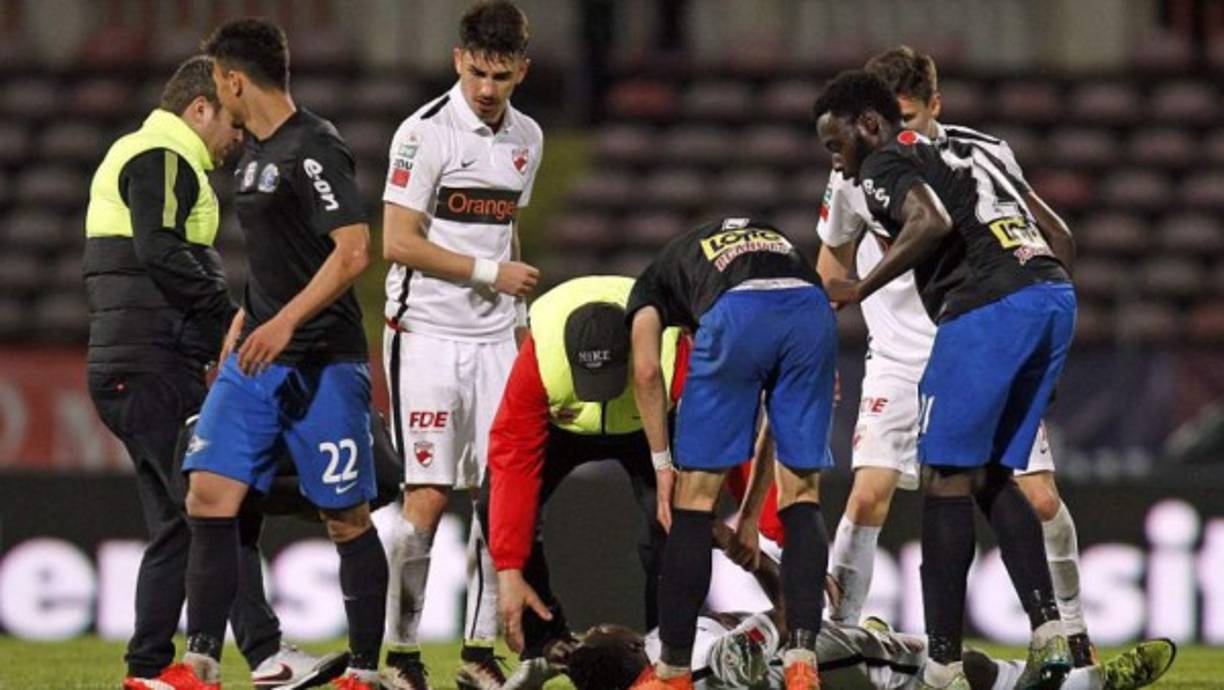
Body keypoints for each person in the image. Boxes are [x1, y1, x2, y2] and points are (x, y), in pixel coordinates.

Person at [816, 45, 1094, 668]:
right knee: (878, 493)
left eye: (910, 114)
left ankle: (1011, 648)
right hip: (913, 345)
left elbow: (933, 223)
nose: (902, 126)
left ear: (930, 107)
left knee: (1008, 488)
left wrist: (859, 289)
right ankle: (838, 632)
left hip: (975, 324)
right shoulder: (853, 172)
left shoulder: (946, 152)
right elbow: (830, 260)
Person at [84, 55, 343, 690]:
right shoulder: (161, 155)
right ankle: (267, 655)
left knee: (179, 522)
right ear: (198, 108)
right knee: (211, 510)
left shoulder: (145, 154)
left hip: (132, 363)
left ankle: (147, 671)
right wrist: (228, 319)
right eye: (231, 122)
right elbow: (160, 249)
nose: (239, 137)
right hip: (150, 363)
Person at [165, 19, 386, 690]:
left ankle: (367, 671)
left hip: (322, 361)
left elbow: (353, 252)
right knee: (208, 494)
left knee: (345, 518)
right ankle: (200, 664)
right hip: (256, 357)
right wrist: (247, 315)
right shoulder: (254, 153)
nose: (218, 95)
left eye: (218, 81)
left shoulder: (313, 148)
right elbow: (280, 258)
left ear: (234, 79)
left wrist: (285, 321)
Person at [378, 2, 543, 688]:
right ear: (457, 61)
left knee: (500, 494)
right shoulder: (423, 135)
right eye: (476, 71)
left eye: (500, 76)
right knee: (427, 495)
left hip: (496, 338)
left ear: (521, 72)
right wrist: (489, 274)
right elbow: (396, 241)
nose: (486, 87)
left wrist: (521, 314)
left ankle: (479, 655)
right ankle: (400, 654)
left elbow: (505, 233)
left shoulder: (528, 138)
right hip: (427, 335)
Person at [559, 525, 1177, 690]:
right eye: (595, 634)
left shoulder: (664, 643)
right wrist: (785, 583)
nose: (597, 625)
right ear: (623, 654)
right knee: (953, 668)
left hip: (834, 651)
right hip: (852, 670)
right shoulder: (696, 668)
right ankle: (1086, 686)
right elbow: (768, 631)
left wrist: (761, 568)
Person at [627, 217, 838, 690]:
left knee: (694, 500)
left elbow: (644, 372)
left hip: (737, 313)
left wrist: (663, 466)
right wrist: (749, 513)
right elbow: (773, 423)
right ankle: (803, 662)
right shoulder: (769, 237)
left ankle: (672, 672)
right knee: (802, 493)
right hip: (811, 307)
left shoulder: (652, 282)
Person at [483, 275, 688, 672]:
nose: (602, 391)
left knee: (673, 524)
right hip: (566, 426)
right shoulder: (540, 357)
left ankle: (668, 653)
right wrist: (508, 568)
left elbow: (720, 437)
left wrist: (761, 524)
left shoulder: (673, 355)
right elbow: (512, 459)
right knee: (493, 507)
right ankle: (546, 644)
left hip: (650, 423)